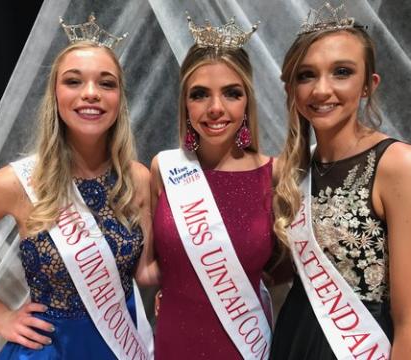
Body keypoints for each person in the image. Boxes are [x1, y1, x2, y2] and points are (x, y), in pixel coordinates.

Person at [0, 15, 156, 359]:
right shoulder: (16, 183)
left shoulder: (137, 178)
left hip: (123, 344)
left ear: (120, 99)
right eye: (73, 81)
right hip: (51, 350)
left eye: (106, 84)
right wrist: (0, 317)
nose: (90, 94)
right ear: (55, 95)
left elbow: (149, 272)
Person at [270, 2, 411, 359]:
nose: (321, 90)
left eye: (341, 72)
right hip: (293, 337)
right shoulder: (290, 170)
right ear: (292, 88)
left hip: (363, 344)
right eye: (306, 75)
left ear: (368, 85)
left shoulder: (402, 166)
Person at [150, 14, 281, 360]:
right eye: (200, 95)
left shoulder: (275, 174)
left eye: (232, 93)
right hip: (174, 340)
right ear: (185, 104)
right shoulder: (164, 169)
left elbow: (288, 268)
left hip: (244, 345)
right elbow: (150, 264)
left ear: (247, 101)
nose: (216, 108)